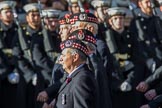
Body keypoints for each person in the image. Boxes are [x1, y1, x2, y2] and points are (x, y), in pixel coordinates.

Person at [105, 7, 146, 108]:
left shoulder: (131, 37)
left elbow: (138, 61)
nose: (119, 21)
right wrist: (117, 84)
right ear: (110, 21)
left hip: (130, 81)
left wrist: (129, 80)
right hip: (114, 83)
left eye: (121, 18)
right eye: (115, 19)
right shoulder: (106, 37)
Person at [54, 39, 98, 108]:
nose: (60, 59)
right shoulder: (73, 76)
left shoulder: (82, 79)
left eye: (64, 56)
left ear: (75, 57)